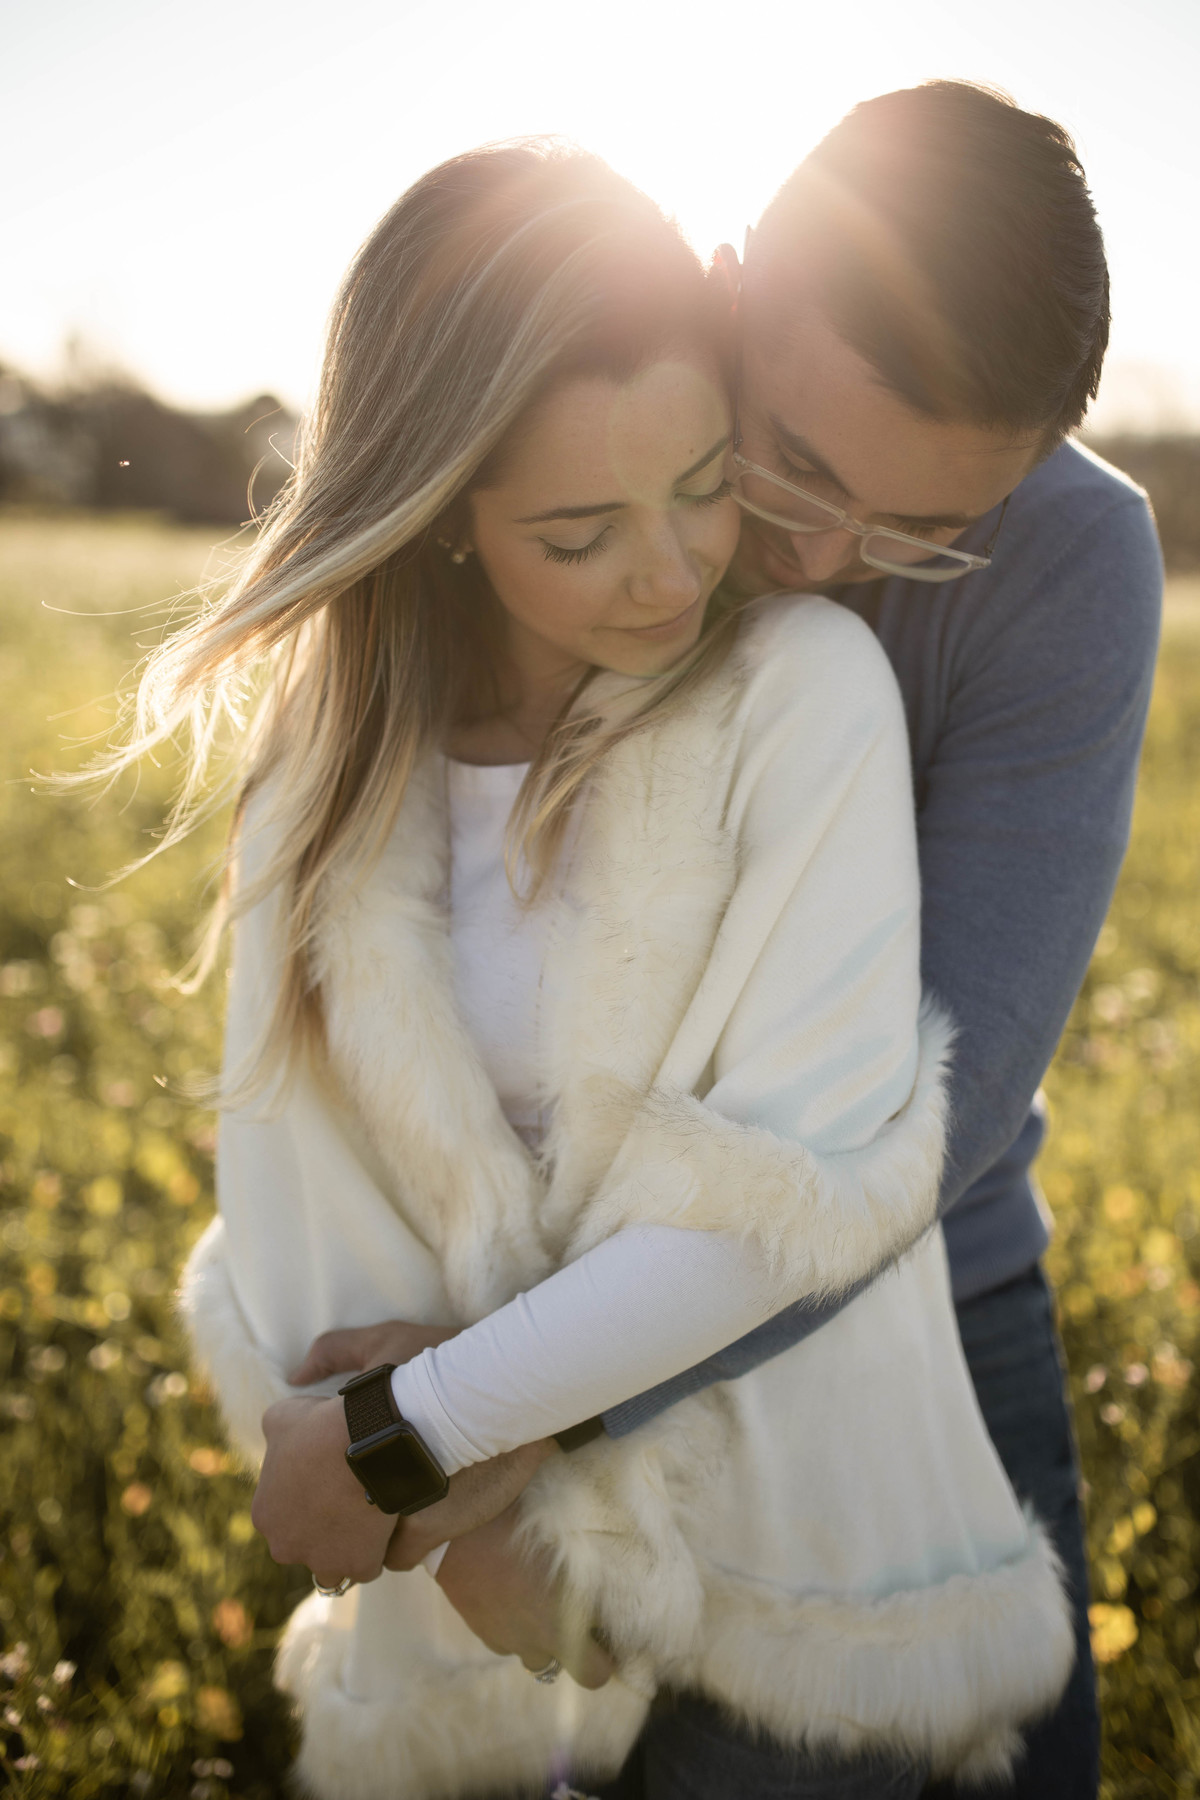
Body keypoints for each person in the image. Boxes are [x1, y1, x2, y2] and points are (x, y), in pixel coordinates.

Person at [161, 141, 1074, 1798]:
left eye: (706, 483)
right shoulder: (327, 770)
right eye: (581, 532)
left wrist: (454, 1458)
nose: (677, 572)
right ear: (443, 519)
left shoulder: (808, 688)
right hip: (465, 1600)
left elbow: (789, 1199)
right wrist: (442, 1524)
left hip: (791, 1552)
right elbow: (296, 1210)